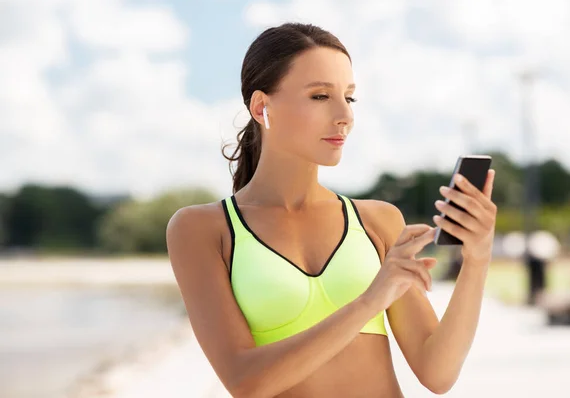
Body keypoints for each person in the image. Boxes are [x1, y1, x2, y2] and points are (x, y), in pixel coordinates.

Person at [166, 22, 497, 398]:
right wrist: (371, 300)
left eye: (349, 97)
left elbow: (438, 373)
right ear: (262, 107)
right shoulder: (202, 229)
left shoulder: (378, 221)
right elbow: (246, 382)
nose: (345, 115)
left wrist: (478, 258)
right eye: (321, 96)